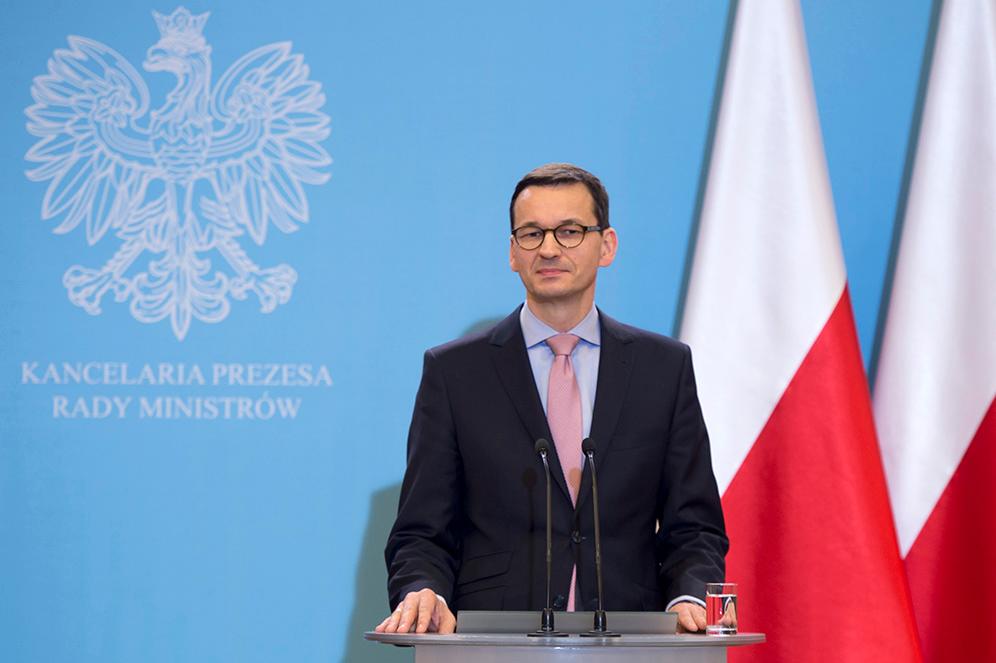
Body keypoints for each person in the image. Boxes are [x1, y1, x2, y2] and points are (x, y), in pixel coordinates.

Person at [376, 163, 727, 636]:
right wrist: (425, 591)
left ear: (607, 245)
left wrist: (689, 597)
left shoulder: (663, 368)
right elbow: (421, 531)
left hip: (630, 638)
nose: (548, 248)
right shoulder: (454, 373)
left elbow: (695, 526)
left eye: (569, 231)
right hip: (494, 641)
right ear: (512, 252)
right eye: (531, 233)